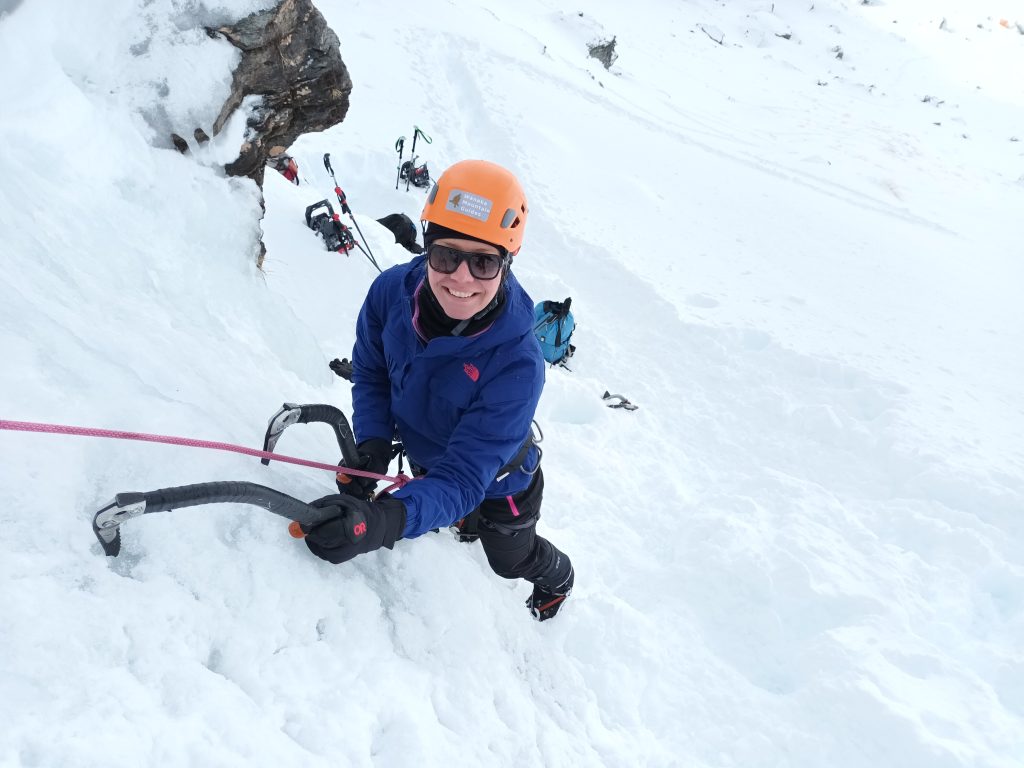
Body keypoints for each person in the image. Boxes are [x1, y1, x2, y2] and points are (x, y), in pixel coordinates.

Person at [302, 159, 574, 621]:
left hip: (499, 481)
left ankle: (558, 577)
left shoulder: (517, 364)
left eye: (484, 261)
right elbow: (371, 373)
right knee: (451, 514)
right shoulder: (390, 293)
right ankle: (458, 522)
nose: (461, 278)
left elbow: (464, 480)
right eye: (446, 255)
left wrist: (383, 522)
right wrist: (371, 441)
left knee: (508, 560)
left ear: (506, 264)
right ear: (427, 246)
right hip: (432, 460)